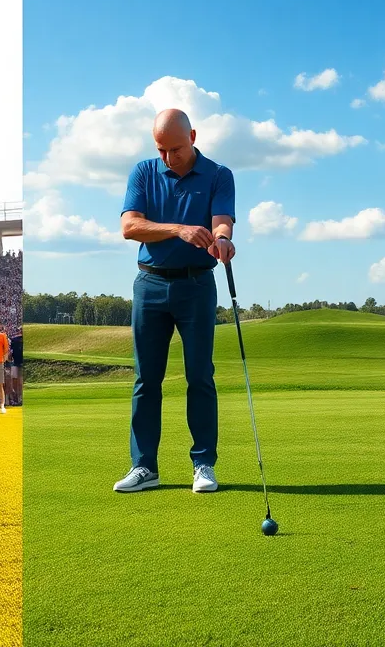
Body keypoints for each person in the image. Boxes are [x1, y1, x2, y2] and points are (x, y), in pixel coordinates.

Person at [114, 108, 236, 494]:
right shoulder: (144, 172)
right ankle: (144, 466)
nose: (168, 157)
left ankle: (203, 464)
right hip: (149, 286)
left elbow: (222, 221)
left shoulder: (218, 175)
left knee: (200, 376)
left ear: (194, 136)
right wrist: (178, 230)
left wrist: (223, 239)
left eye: (176, 149)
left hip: (197, 285)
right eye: (161, 149)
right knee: (146, 380)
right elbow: (130, 226)